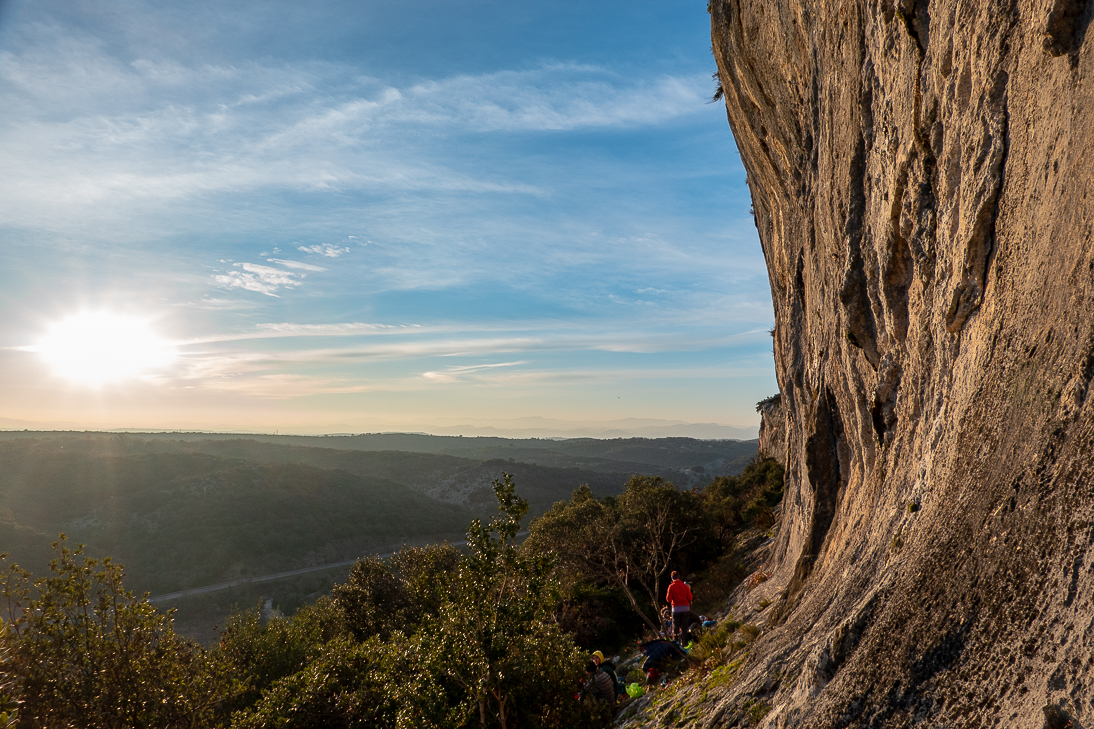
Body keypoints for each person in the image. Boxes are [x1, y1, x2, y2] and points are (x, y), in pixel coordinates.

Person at [665, 571, 700, 639]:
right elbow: (690, 598)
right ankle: (685, 642)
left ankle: (676, 642)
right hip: (685, 609)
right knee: (684, 628)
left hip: (676, 610)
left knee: (676, 628)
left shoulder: (671, 587)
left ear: (672, 578)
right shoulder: (685, 586)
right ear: (679, 577)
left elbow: (668, 599)